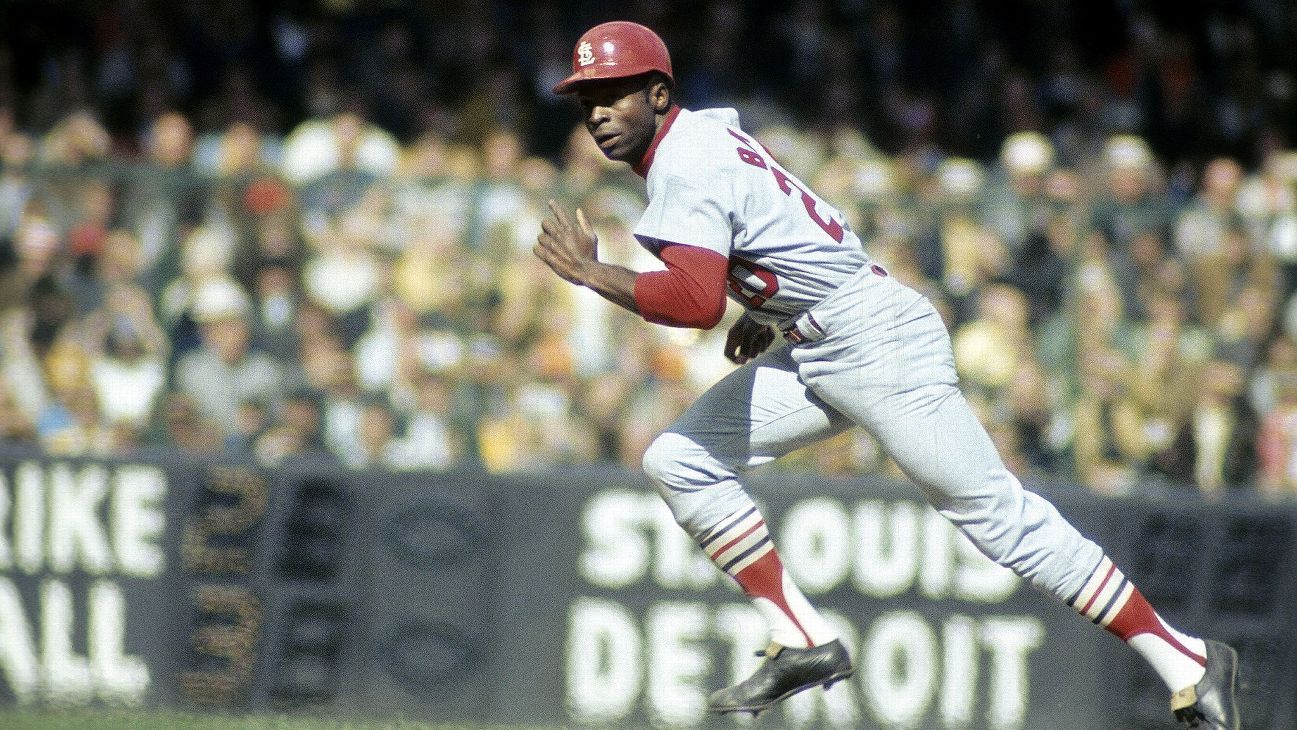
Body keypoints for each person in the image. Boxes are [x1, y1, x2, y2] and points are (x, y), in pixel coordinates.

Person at [534, 21, 1242, 728]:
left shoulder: (684, 163)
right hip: (826, 334)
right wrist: (774, 304)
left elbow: (693, 303)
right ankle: (800, 638)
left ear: (658, 92)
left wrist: (591, 271)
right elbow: (802, 235)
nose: (596, 111)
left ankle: (1186, 661)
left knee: (998, 520)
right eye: (586, 97)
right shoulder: (706, 138)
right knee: (680, 460)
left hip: (873, 342)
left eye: (614, 92)